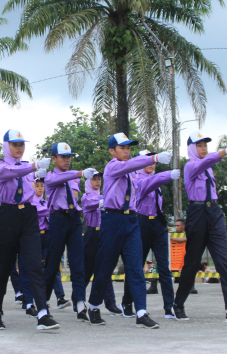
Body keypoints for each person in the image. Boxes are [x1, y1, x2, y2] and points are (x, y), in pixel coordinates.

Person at [87, 132, 170, 329]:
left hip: (131, 220)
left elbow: (144, 182)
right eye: (122, 148)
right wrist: (154, 158)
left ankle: (141, 312)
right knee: (105, 266)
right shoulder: (112, 167)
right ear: (112, 151)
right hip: (113, 219)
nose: (126, 151)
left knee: (135, 267)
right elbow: (131, 165)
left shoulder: (132, 172)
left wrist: (165, 175)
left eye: (128, 148)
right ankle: (94, 305)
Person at [173, 132, 227, 324]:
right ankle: (178, 304)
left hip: (214, 212)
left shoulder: (208, 169)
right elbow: (206, 162)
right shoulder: (191, 166)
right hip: (197, 213)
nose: (204, 148)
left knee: (224, 262)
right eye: (199, 145)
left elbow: (208, 164)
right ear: (191, 148)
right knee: (192, 263)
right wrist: (226, 151)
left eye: (205, 145)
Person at [0, 129, 60, 331]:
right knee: (3, 267)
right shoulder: (1, 166)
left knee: (35, 264)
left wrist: (37, 172)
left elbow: (30, 184)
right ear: (6, 146)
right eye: (15, 144)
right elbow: (14, 172)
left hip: (28, 215)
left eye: (21, 144)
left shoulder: (27, 167)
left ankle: (43, 313)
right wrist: (35, 166)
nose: (19, 148)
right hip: (7, 215)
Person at [121, 149, 180, 320]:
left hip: (158, 224)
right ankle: (127, 302)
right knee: (136, 265)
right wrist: (168, 175)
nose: (151, 164)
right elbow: (149, 184)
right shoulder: (137, 180)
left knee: (164, 267)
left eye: (153, 161)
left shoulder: (156, 179)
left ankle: (169, 307)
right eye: (147, 160)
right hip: (142, 223)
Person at [42, 142, 97, 320]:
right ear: (53, 158)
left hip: (74, 219)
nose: (67, 160)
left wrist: (78, 175)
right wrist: (80, 173)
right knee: (52, 263)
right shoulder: (50, 177)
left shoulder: (74, 178)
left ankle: (80, 303)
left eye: (69, 157)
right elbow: (58, 180)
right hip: (57, 219)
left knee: (78, 263)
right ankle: (43, 302)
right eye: (63, 157)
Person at [18, 176, 69, 317]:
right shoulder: (29, 202)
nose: (40, 188)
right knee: (30, 269)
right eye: (37, 185)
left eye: (42, 185)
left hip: (47, 235)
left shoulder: (45, 202)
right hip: (34, 236)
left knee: (52, 267)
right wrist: (52, 210)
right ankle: (29, 301)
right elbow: (39, 212)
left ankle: (59, 297)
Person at [80, 170, 121, 315]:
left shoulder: (104, 196)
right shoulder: (86, 197)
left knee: (105, 269)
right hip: (91, 235)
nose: (98, 182)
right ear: (88, 182)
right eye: (94, 179)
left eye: (99, 179)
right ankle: (77, 300)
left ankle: (111, 304)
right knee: (86, 271)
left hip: (103, 234)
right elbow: (93, 203)